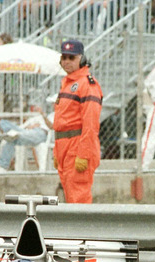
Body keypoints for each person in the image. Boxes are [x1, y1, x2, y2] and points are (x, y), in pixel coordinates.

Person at [52, 39, 102, 204]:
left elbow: (90, 124)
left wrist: (84, 154)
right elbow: (62, 121)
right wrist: (57, 151)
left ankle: (82, 230)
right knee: (70, 195)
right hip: (65, 146)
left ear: (81, 59)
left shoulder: (87, 84)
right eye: (64, 57)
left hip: (78, 145)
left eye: (71, 58)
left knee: (78, 197)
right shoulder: (67, 84)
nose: (67, 62)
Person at [0, 107, 53, 172]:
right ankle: (11, 133)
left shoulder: (54, 115)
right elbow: (24, 126)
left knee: (11, 138)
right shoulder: (35, 117)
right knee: (3, 123)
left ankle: (2, 167)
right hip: (25, 131)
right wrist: (29, 126)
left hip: (40, 133)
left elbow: (51, 126)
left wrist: (42, 115)